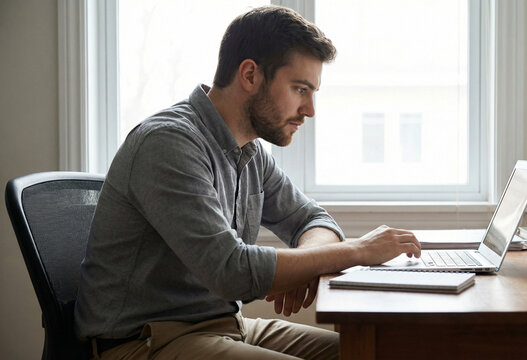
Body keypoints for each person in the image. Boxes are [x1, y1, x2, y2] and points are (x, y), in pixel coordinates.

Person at [74, 5, 421, 360]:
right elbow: (231, 271)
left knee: (378, 352)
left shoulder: (250, 152)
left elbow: (313, 219)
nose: (310, 110)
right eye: (300, 89)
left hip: (227, 326)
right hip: (145, 342)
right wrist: (358, 250)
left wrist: (308, 260)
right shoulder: (168, 144)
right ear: (251, 75)